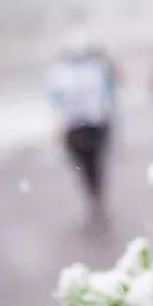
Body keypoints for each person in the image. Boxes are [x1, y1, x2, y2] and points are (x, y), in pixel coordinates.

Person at [48, 42, 116, 225]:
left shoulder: (59, 73)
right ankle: (96, 193)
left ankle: (92, 194)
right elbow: (109, 92)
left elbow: (55, 100)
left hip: (74, 127)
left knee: (83, 165)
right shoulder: (96, 69)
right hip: (95, 123)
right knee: (95, 162)